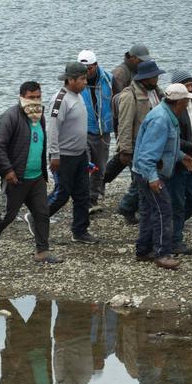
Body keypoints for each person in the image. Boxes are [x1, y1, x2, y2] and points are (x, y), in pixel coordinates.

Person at [0, 81, 61, 264]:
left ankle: (42, 251)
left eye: (38, 97)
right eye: (30, 97)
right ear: (22, 97)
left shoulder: (39, 116)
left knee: (42, 213)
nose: (35, 101)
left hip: (36, 177)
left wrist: (45, 168)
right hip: (16, 178)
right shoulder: (10, 116)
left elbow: (41, 143)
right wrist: (8, 170)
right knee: (8, 215)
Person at [132, 83, 192, 270]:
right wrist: (152, 178)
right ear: (179, 102)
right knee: (163, 211)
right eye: (186, 101)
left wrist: (182, 157)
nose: (187, 105)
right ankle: (162, 254)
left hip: (144, 170)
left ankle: (143, 250)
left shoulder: (166, 114)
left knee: (149, 211)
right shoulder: (161, 119)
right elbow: (148, 154)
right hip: (149, 172)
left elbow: (166, 147)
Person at [47, 61, 99, 245]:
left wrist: (86, 153)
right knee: (62, 194)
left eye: (86, 78)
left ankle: (80, 231)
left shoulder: (78, 96)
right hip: (64, 156)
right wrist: (54, 154)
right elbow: (52, 129)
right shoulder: (60, 100)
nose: (86, 82)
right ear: (70, 80)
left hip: (79, 154)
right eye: (82, 79)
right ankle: (38, 216)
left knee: (82, 194)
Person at [114, 59, 164, 225]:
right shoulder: (129, 95)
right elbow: (125, 124)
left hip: (154, 145)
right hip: (137, 146)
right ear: (144, 78)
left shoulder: (157, 92)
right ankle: (137, 213)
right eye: (154, 77)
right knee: (142, 180)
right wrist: (125, 149)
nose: (156, 79)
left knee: (141, 180)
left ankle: (128, 207)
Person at [167, 70, 192, 255]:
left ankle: (173, 228)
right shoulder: (173, 107)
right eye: (186, 84)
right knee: (177, 201)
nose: (191, 87)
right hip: (178, 159)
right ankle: (174, 240)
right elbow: (172, 138)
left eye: (191, 83)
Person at [76, 49, 113, 211]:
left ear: (96, 65)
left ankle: (93, 198)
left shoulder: (109, 80)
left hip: (102, 132)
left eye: (90, 68)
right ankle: (84, 200)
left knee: (100, 168)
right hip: (82, 131)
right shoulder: (75, 82)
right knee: (85, 165)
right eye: (83, 69)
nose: (87, 72)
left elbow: (118, 101)